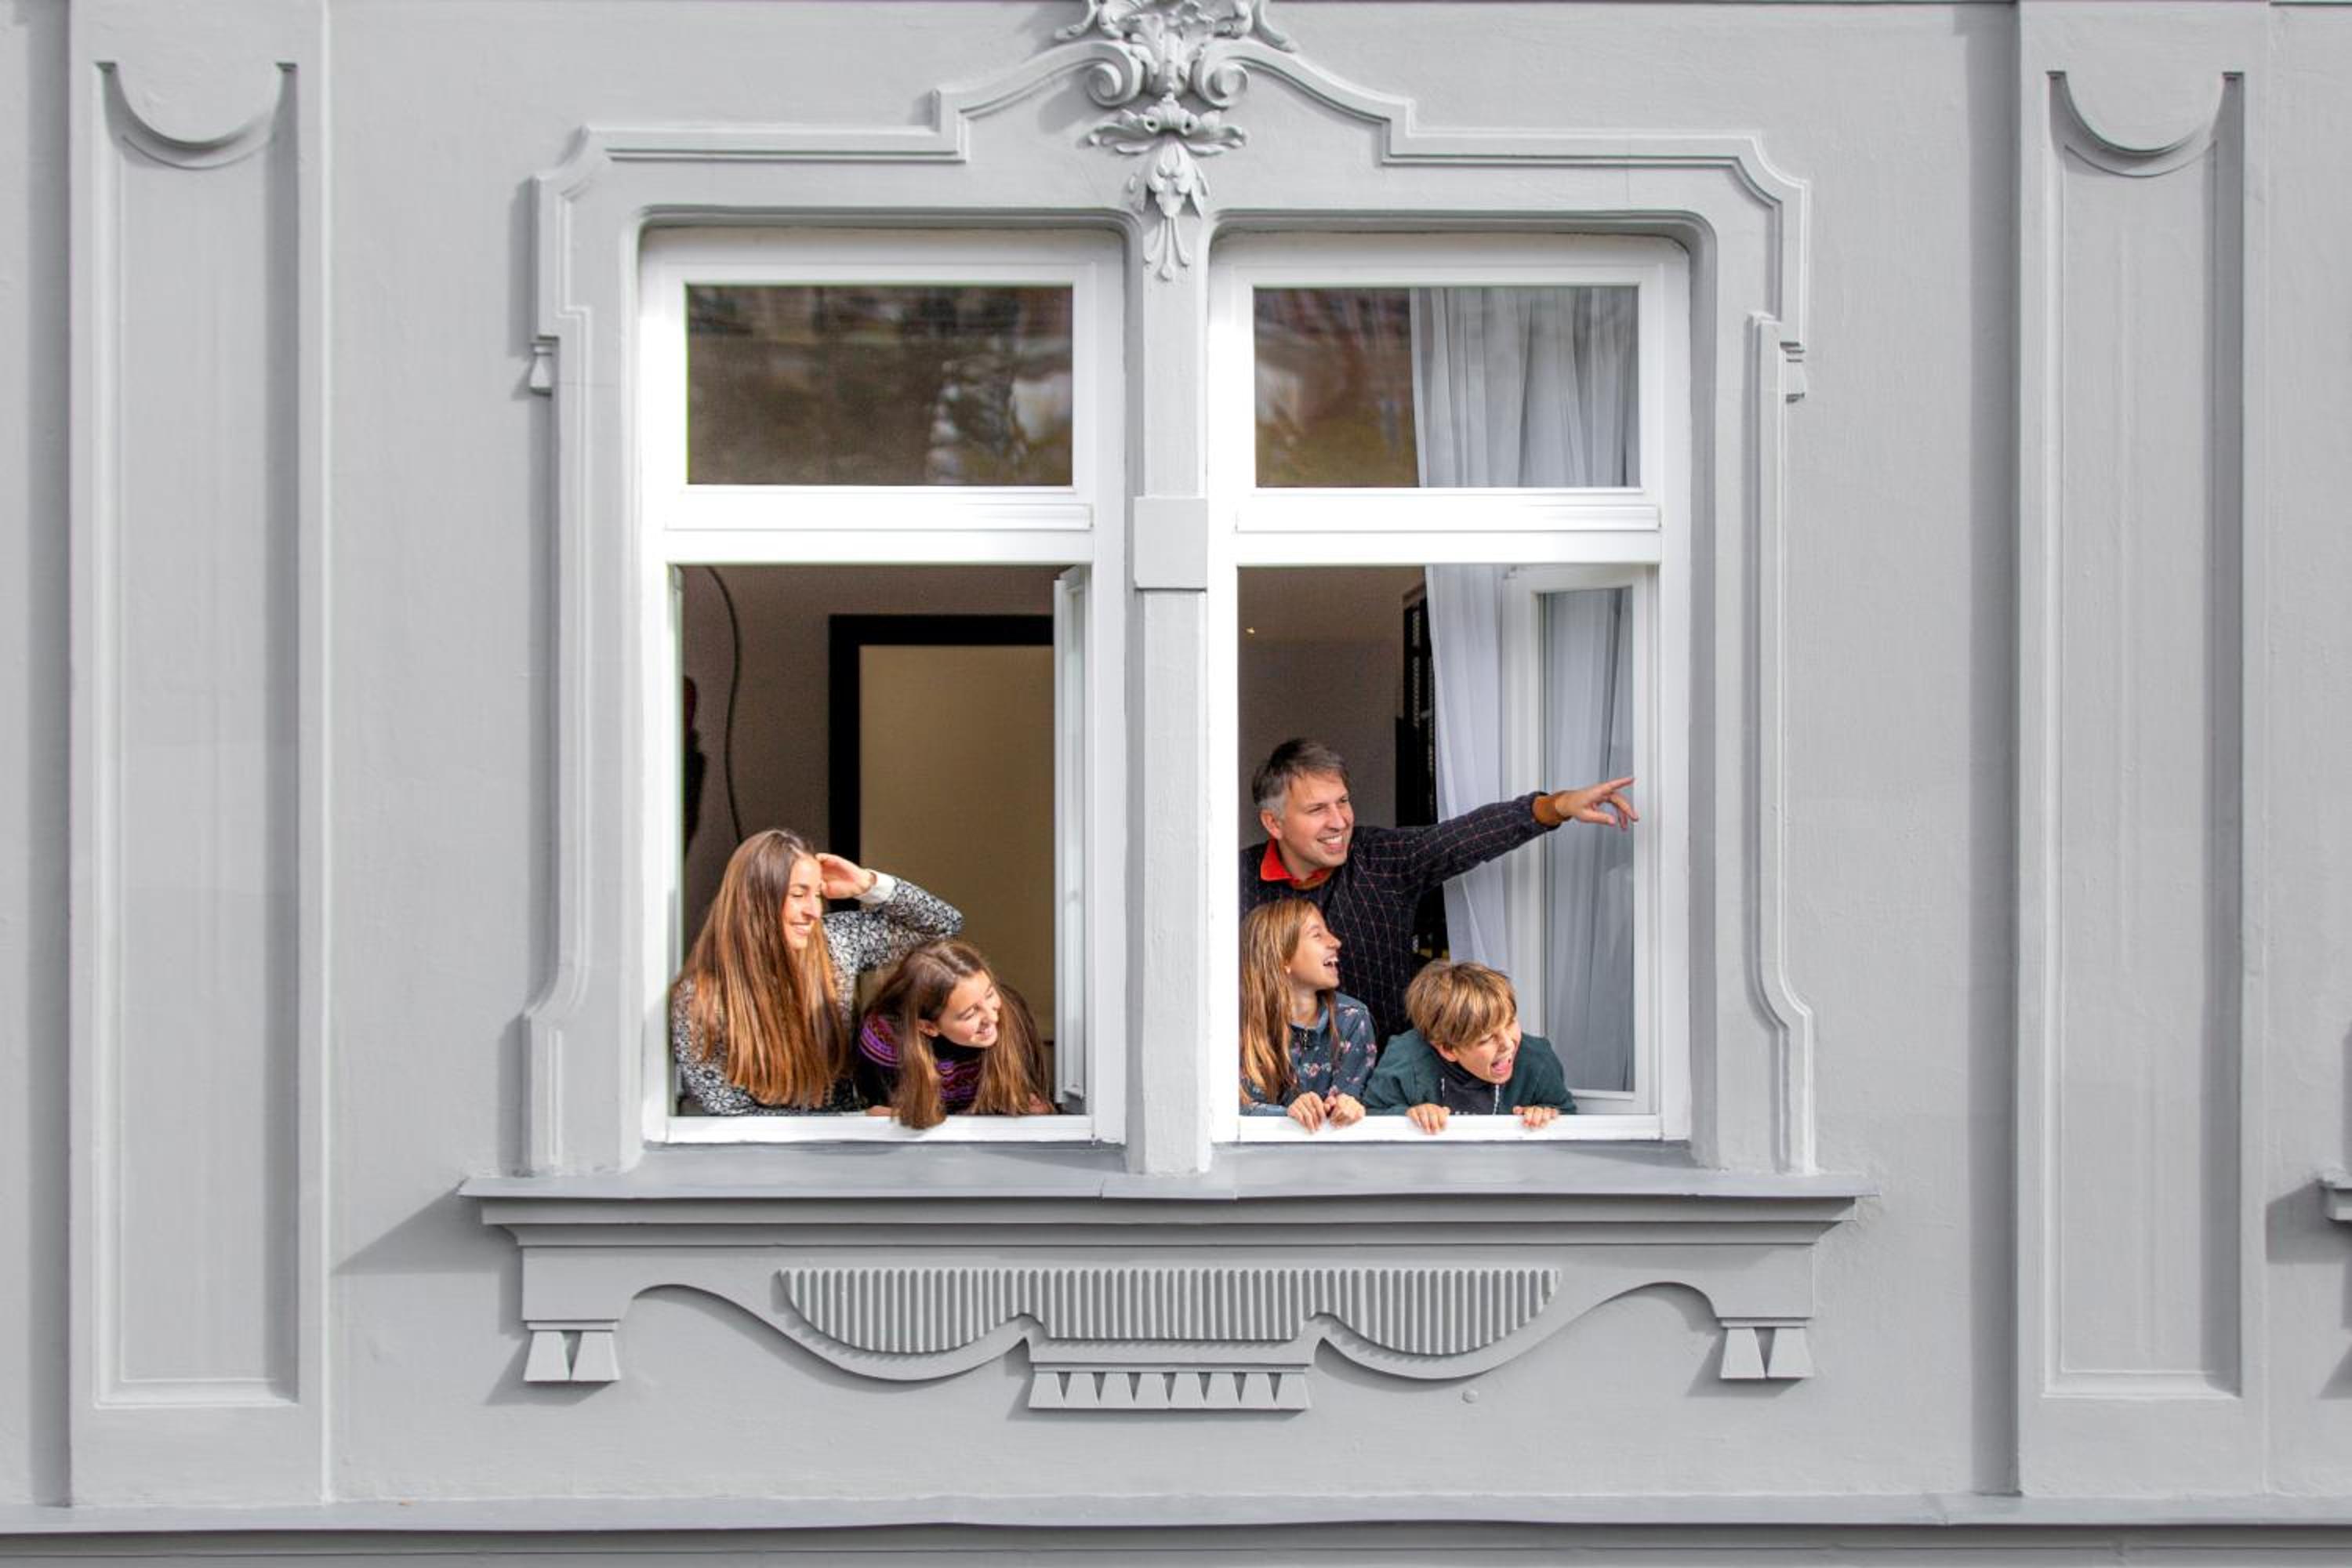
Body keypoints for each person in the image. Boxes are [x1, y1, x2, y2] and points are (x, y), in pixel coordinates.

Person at [1238, 738, 1636, 1045]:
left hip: (1387, 1092)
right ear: (1274, 823)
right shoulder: (1232, 883)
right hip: (1280, 1088)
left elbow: (1464, 838)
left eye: (1342, 802)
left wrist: (1558, 806)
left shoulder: (1381, 859)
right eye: (1317, 810)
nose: (1339, 821)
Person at [671, 828, 962, 1115]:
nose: (814, 910)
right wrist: (843, 1123)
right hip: (771, 1146)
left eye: (818, 894)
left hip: (850, 1137)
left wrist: (867, 884)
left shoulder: (836, 943)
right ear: (755, 901)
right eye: (799, 894)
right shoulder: (701, 997)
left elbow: (944, 927)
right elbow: (728, 1110)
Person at [855, 939, 1054, 1129]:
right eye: (970, 1014)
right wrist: (892, 1117)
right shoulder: (885, 1040)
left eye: (990, 994)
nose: (992, 1017)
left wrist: (1034, 1109)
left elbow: (1034, 1096)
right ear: (928, 1027)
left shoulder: (1012, 1013)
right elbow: (879, 1110)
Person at [1363, 961, 1573, 1134]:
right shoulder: (1406, 1058)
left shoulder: (1537, 1060)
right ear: (1448, 1049)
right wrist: (1408, 1115)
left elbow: (1569, 1119)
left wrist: (1547, 1116)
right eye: (1487, 1038)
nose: (1507, 1044)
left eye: (1510, 1022)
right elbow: (1371, 1114)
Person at [1237, 900, 1378, 1131]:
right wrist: (1287, 1115)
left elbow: (1347, 1116)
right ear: (1282, 957)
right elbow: (1225, 1111)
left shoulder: (1352, 1019)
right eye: (1317, 935)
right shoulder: (1236, 1022)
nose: (1336, 942)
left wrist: (1346, 1108)